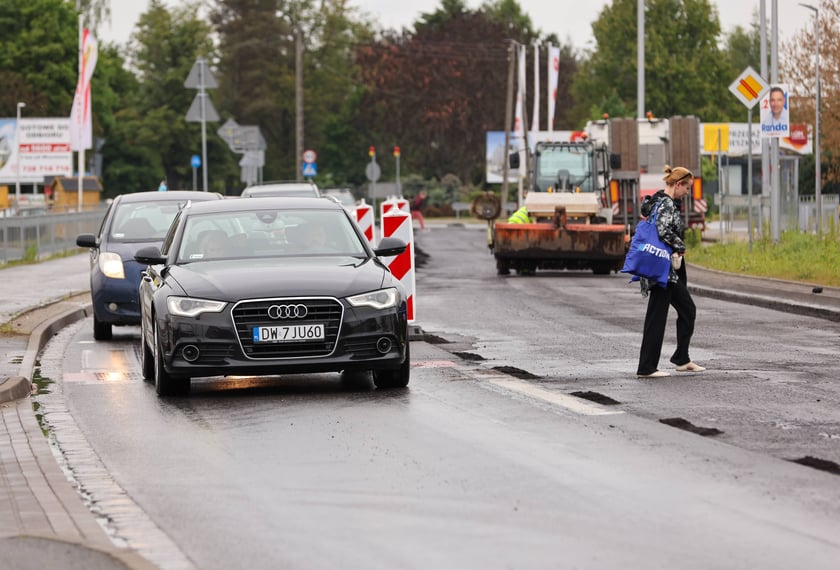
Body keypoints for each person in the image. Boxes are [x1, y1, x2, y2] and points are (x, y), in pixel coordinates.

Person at [635, 165, 705, 379]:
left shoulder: (659, 201)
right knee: (657, 316)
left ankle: (682, 359)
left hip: (668, 267)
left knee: (687, 309)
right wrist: (680, 245)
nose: (688, 192)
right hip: (663, 267)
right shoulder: (666, 204)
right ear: (677, 184)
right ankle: (647, 367)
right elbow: (663, 230)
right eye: (687, 188)